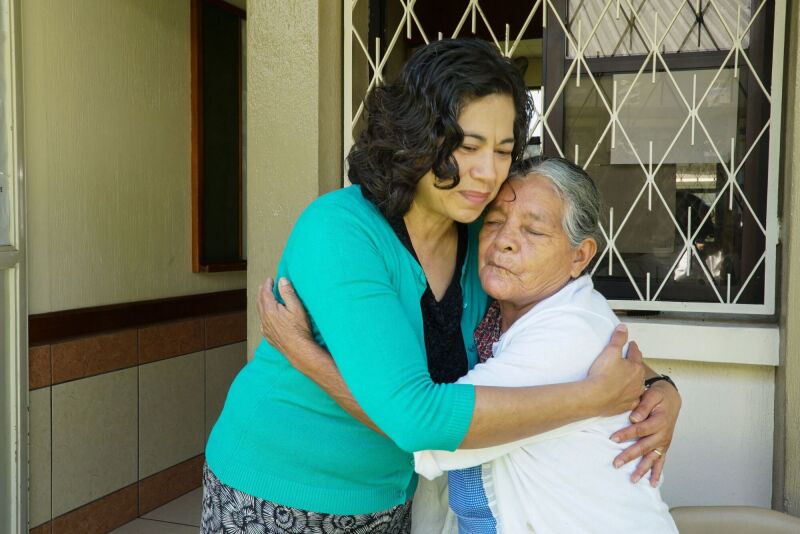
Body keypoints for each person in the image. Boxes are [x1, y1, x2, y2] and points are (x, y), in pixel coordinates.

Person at [204, 39, 680, 534]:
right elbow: (415, 418)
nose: (488, 171)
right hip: (280, 487)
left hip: (390, 496)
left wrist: (658, 386)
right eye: (467, 146)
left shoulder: (483, 232)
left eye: (502, 151)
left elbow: (571, 335)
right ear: (415, 137)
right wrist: (592, 399)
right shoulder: (341, 232)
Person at [412, 157, 678, 532]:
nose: (503, 241)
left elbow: (432, 432)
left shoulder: (571, 332)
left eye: (534, 232)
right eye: (493, 222)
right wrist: (663, 383)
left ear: (579, 256)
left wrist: (307, 359)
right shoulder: (490, 314)